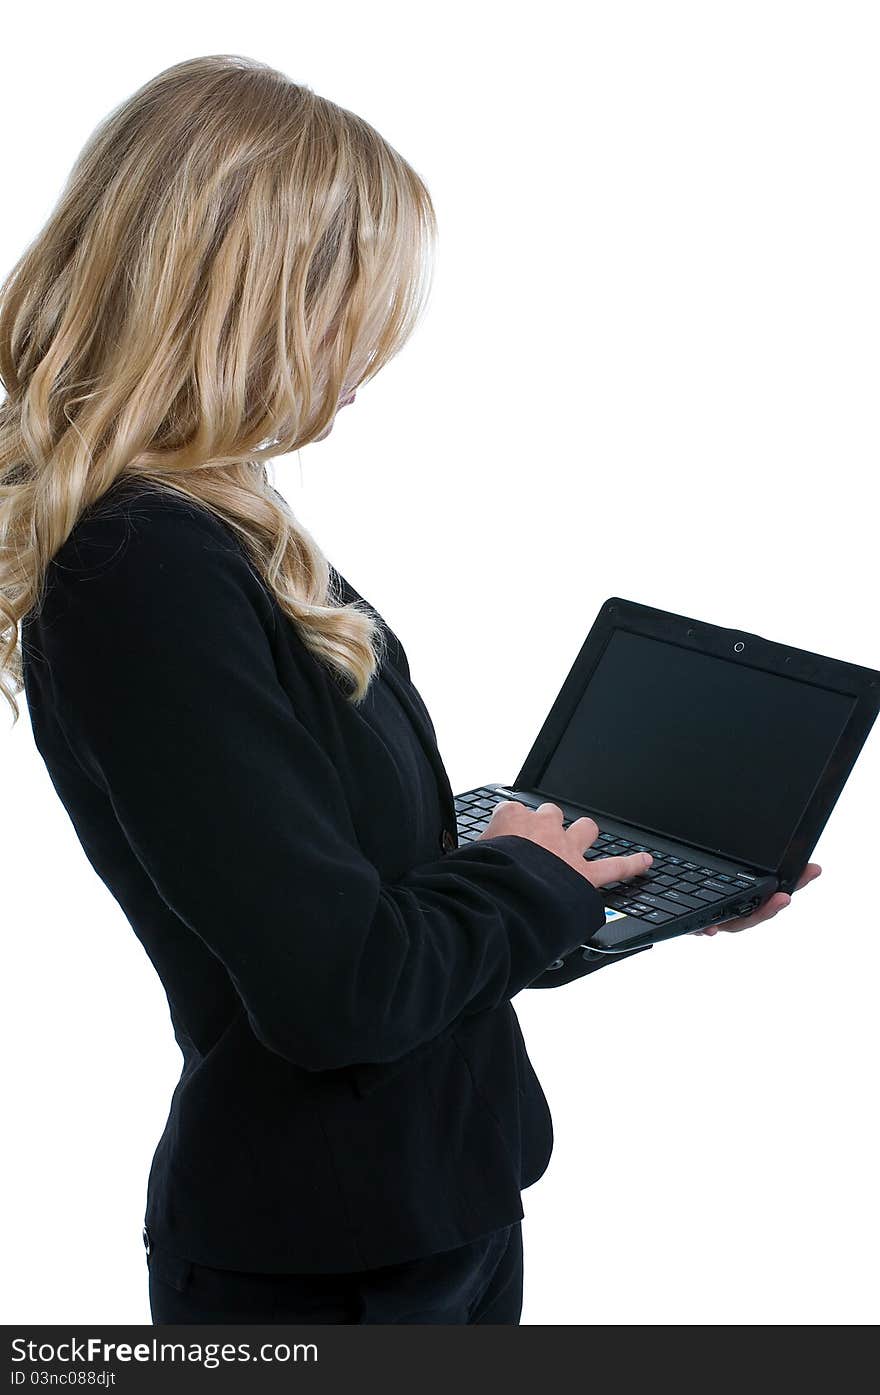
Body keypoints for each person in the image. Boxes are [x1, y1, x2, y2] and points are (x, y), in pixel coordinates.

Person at [0, 55, 821, 1326]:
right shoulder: (140, 568)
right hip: (325, 1269)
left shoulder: (230, 526)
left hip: (431, 1216)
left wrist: (583, 885)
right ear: (252, 296)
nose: (371, 353)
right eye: (354, 306)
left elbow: (358, 896)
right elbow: (339, 994)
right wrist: (524, 879)